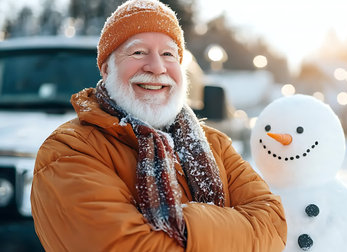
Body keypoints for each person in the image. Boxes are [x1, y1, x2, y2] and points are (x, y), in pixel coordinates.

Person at [30, 0, 287, 251]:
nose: (157, 67)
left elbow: (273, 226)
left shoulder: (214, 143)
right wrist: (232, 230)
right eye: (138, 52)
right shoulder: (69, 150)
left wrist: (183, 225)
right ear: (106, 69)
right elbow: (127, 245)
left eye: (168, 54)